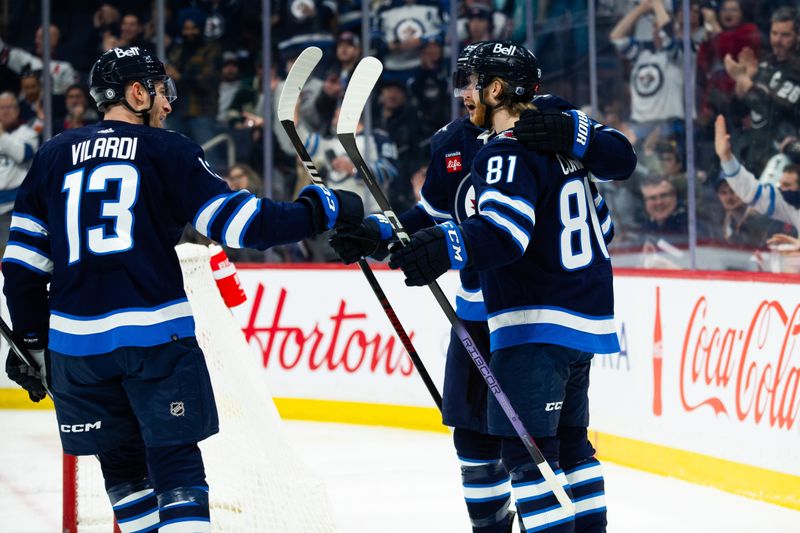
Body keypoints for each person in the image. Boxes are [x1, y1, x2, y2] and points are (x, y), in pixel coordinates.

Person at [1, 46, 362, 532]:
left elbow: (22, 265)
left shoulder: (50, 156)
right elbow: (241, 226)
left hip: (77, 353)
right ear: (136, 92)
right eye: (159, 91)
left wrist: (29, 341)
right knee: (175, 468)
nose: (167, 103)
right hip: (154, 339)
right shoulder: (167, 150)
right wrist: (321, 210)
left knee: (125, 476)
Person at [331, 41, 636, 533]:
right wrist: (376, 232)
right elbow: (428, 217)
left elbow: (617, 159)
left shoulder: (542, 124)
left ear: (496, 88)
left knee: (531, 451)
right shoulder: (454, 141)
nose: (462, 95)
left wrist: (573, 136)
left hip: (526, 310)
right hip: (488, 309)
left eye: (469, 83)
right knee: (493, 441)